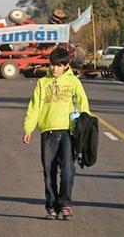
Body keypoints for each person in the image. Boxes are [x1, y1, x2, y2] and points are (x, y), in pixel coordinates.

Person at [23, 46, 90, 220]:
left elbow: (84, 106)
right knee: (48, 171)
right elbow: (34, 107)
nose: (54, 68)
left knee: (68, 170)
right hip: (48, 132)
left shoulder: (74, 82)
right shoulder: (42, 83)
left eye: (59, 65)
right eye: (52, 65)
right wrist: (28, 128)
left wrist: (85, 127)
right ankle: (51, 206)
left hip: (68, 132)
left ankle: (65, 204)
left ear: (66, 65)